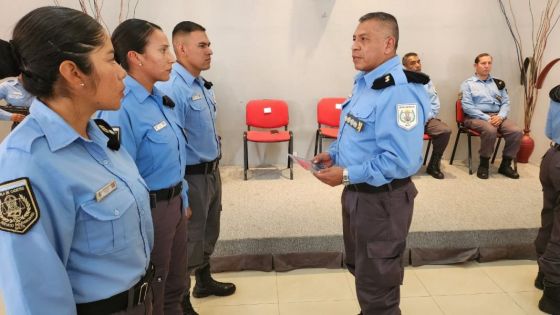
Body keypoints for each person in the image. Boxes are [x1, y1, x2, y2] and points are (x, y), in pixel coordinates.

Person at [0, 6, 154, 315]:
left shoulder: (98, 133)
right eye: (111, 59)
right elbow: (36, 296)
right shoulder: (28, 163)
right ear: (73, 73)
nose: (122, 71)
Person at [313, 12, 430, 315]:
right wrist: (335, 155)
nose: (354, 46)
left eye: (364, 39)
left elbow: (400, 161)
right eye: (354, 39)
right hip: (357, 193)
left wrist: (348, 174)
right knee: (363, 269)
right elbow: (357, 132)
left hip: (383, 201)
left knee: (379, 279)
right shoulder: (366, 82)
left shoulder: (398, 90)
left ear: (389, 44)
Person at [97, 19, 189, 315]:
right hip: (149, 211)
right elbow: (119, 175)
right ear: (135, 57)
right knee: (155, 288)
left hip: (174, 204)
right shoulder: (121, 107)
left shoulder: (158, 98)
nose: (172, 58)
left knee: (176, 281)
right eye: (162, 50)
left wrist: (182, 197)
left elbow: (174, 157)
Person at [157, 21, 235, 315]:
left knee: (209, 230)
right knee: (190, 238)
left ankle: (203, 281)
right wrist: (183, 193)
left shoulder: (200, 84)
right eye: (202, 45)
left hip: (211, 172)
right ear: (182, 48)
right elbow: (172, 144)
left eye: (208, 44)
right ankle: (180, 299)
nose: (209, 51)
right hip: (191, 176)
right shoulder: (173, 88)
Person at [460, 53, 522, 179]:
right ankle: (484, 164)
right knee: (490, 130)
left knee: (516, 131)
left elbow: (505, 102)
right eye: (483, 63)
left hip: (497, 116)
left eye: (489, 63)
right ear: (475, 65)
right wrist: (488, 118)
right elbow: (467, 107)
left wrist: (500, 116)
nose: (487, 66)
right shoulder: (467, 84)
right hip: (475, 117)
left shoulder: (498, 83)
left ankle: (505, 164)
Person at [402, 52, 451, 179]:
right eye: (413, 63)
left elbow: (435, 104)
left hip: (426, 119)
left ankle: (434, 165)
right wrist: (414, 119)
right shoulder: (400, 82)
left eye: (418, 61)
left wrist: (425, 118)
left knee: (444, 131)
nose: (417, 65)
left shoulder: (427, 81)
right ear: (405, 66)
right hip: (406, 120)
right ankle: (403, 166)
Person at [534, 85, 560, 314]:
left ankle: (542, 275)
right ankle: (553, 293)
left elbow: (551, 129)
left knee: (550, 219)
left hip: (552, 157)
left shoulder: (557, 91)